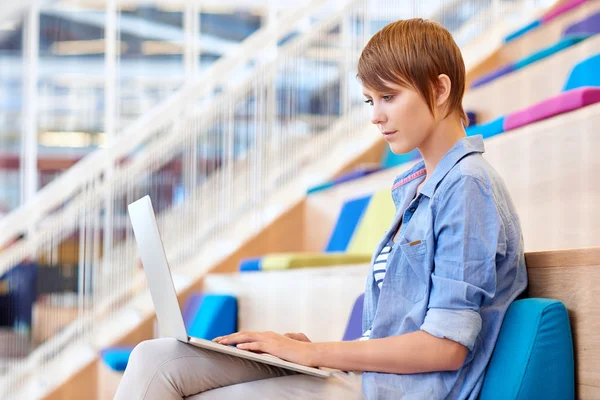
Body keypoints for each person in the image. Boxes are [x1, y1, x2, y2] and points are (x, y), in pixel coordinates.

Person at [114, 18, 528, 400]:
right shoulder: (417, 188)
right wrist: (307, 351)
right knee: (156, 358)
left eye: (388, 96)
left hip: (400, 393)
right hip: (362, 378)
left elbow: (447, 347)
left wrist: (319, 354)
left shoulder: (468, 186)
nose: (376, 116)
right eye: (369, 101)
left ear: (439, 90)